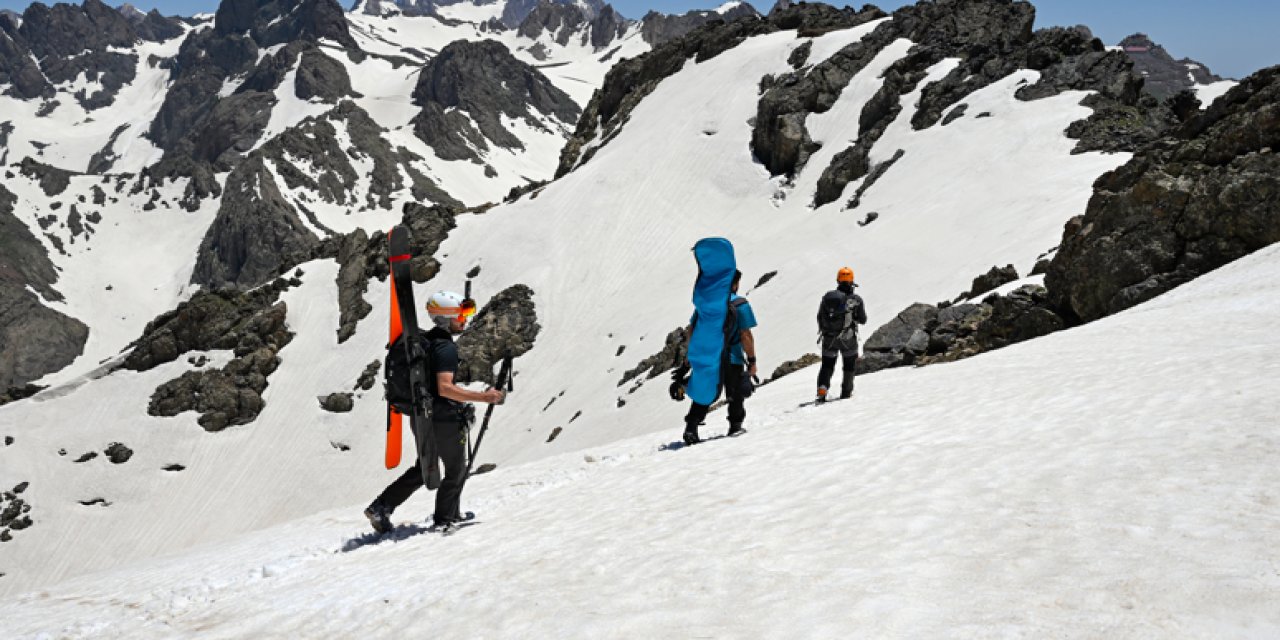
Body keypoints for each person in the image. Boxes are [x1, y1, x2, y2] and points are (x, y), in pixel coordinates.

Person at [365, 291, 505, 533]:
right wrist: (483, 397)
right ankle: (446, 519)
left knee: (425, 467)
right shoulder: (445, 348)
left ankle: (382, 506)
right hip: (443, 420)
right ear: (446, 317)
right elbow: (445, 388)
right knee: (456, 470)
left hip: (421, 414)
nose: (465, 320)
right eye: (461, 315)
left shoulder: (425, 342)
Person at [681, 270, 758, 445]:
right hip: (732, 357)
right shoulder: (740, 304)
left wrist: (691, 355)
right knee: (735, 393)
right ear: (735, 284)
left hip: (709, 356)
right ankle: (735, 426)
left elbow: (692, 329)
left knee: (706, 390)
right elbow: (745, 335)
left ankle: (691, 427)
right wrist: (752, 360)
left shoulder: (707, 304)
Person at [816, 266, 867, 402]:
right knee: (849, 365)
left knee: (827, 365)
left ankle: (822, 389)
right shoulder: (855, 299)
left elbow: (820, 316)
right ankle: (846, 392)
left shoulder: (828, 298)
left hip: (829, 338)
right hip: (848, 338)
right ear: (852, 281)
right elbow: (863, 320)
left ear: (838, 280)